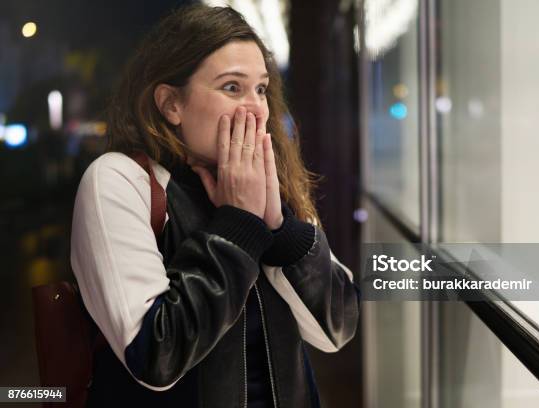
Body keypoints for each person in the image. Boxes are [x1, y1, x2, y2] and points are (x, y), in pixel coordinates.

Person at [70, 4, 360, 408]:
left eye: (261, 88)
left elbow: (336, 330)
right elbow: (156, 356)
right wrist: (237, 225)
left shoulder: (273, 182)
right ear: (172, 104)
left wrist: (278, 226)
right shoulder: (121, 181)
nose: (257, 108)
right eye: (231, 87)